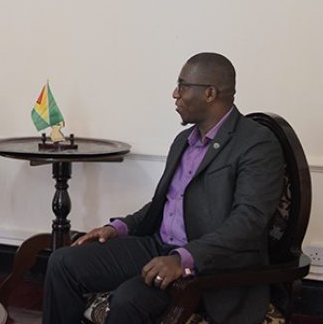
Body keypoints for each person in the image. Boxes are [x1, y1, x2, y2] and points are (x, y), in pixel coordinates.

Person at [43, 53, 284, 324]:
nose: (174, 94)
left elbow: (248, 223)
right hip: (158, 246)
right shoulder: (184, 140)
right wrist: (119, 227)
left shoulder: (256, 144)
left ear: (209, 93)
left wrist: (184, 258)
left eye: (182, 86)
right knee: (62, 263)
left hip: (210, 264)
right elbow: (166, 203)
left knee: (128, 300)